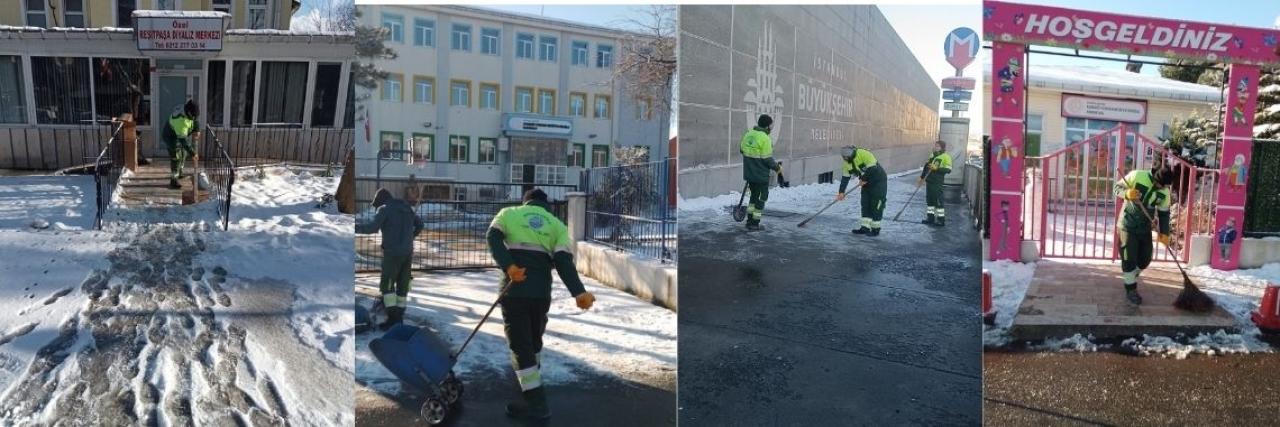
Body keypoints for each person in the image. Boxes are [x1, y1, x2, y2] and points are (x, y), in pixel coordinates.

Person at [486, 189, 596, 420]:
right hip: (540, 294)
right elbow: (564, 262)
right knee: (533, 341)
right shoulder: (557, 225)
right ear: (545, 205)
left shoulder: (509, 213)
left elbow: (492, 237)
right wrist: (579, 292)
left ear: (526, 202)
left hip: (514, 291)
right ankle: (529, 386)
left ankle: (537, 404)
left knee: (520, 345)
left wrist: (509, 266)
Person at [355, 188, 424, 329]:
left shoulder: (385, 209)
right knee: (403, 284)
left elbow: (372, 228)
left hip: (392, 253)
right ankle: (399, 317)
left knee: (387, 285)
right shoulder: (407, 208)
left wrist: (355, 227)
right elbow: (420, 225)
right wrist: (410, 237)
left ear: (381, 200)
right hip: (407, 253)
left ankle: (393, 319)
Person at [1112, 166, 1173, 305]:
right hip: (1127, 225)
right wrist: (1127, 193)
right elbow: (1116, 188)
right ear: (1155, 177)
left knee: (1145, 258)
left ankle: (1131, 275)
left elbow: (1164, 214)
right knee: (1129, 258)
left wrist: (1164, 233)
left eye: (1164, 186)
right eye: (1159, 184)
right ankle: (1131, 289)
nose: (1161, 187)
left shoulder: (1164, 192)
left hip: (1144, 228)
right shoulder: (1137, 175)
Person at [740, 114, 783, 231]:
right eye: (771, 125)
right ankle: (755, 223)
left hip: (749, 174)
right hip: (760, 175)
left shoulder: (748, 134)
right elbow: (767, 159)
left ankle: (749, 220)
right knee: (761, 198)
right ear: (767, 126)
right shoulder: (765, 138)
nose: (771, 127)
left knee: (753, 197)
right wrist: (777, 168)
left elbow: (742, 149)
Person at [836, 145, 888, 236]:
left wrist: (863, 178)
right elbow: (845, 178)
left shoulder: (863, 153)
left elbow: (872, 168)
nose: (845, 158)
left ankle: (876, 229)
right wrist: (841, 192)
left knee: (876, 204)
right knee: (865, 204)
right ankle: (865, 227)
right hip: (865, 183)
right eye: (844, 157)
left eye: (847, 156)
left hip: (878, 181)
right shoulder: (846, 163)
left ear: (852, 154)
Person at [161, 100, 201, 189]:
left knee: (183, 153)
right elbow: (184, 141)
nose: (194, 118)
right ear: (188, 113)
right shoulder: (180, 121)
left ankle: (179, 173)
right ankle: (173, 180)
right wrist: (193, 153)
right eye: (193, 116)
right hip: (171, 137)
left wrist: (197, 129)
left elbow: (195, 119)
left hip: (179, 134)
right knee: (176, 157)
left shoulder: (188, 109)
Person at [919, 140, 953, 226]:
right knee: (929, 201)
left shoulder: (946, 157)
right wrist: (922, 177)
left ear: (942, 148)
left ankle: (941, 220)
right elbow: (926, 167)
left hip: (937, 182)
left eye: (938, 146)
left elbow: (948, 170)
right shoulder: (932, 155)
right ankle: (930, 218)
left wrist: (937, 169)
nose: (936, 147)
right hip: (929, 181)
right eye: (935, 145)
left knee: (938, 201)